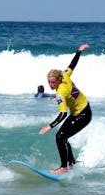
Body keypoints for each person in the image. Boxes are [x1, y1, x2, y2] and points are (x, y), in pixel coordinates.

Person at [39, 44, 92, 174]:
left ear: (58, 80)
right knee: (63, 137)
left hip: (83, 114)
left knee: (60, 137)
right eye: (49, 82)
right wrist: (79, 51)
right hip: (79, 111)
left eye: (52, 82)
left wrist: (49, 126)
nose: (50, 85)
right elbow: (72, 65)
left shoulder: (61, 92)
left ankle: (63, 168)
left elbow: (63, 114)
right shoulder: (64, 74)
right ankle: (71, 164)